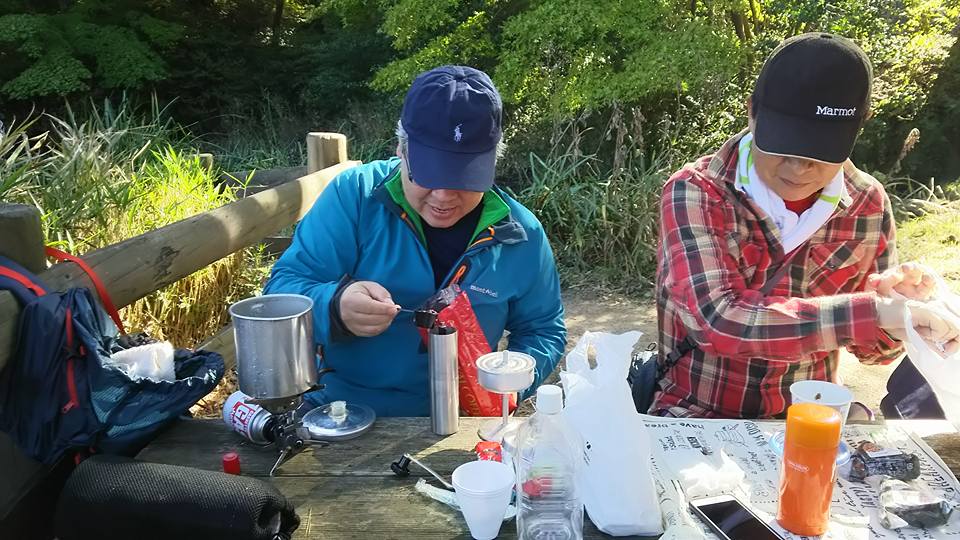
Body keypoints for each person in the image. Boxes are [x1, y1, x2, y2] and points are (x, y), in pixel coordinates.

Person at [652, 33, 960, 418]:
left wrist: (900, 313)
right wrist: (873, 312)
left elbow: (874, 354)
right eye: (783, 145)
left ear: (857, 130)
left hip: (810, 414)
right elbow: (720, 322)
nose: (798, 168)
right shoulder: (697, 192)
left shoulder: (866, 203)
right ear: (752, 112)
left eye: (819, 151)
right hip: (698, 411)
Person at [264, 65, 566, 416]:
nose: (443, 196)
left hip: (468, 419)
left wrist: (511, 380)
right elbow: (281, 294)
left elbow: (543, 329)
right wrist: (334, 305)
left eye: (463, 178)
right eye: (428, 173)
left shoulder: (520, 233)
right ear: (401, 149)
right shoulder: (355, 198)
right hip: (344, 410)